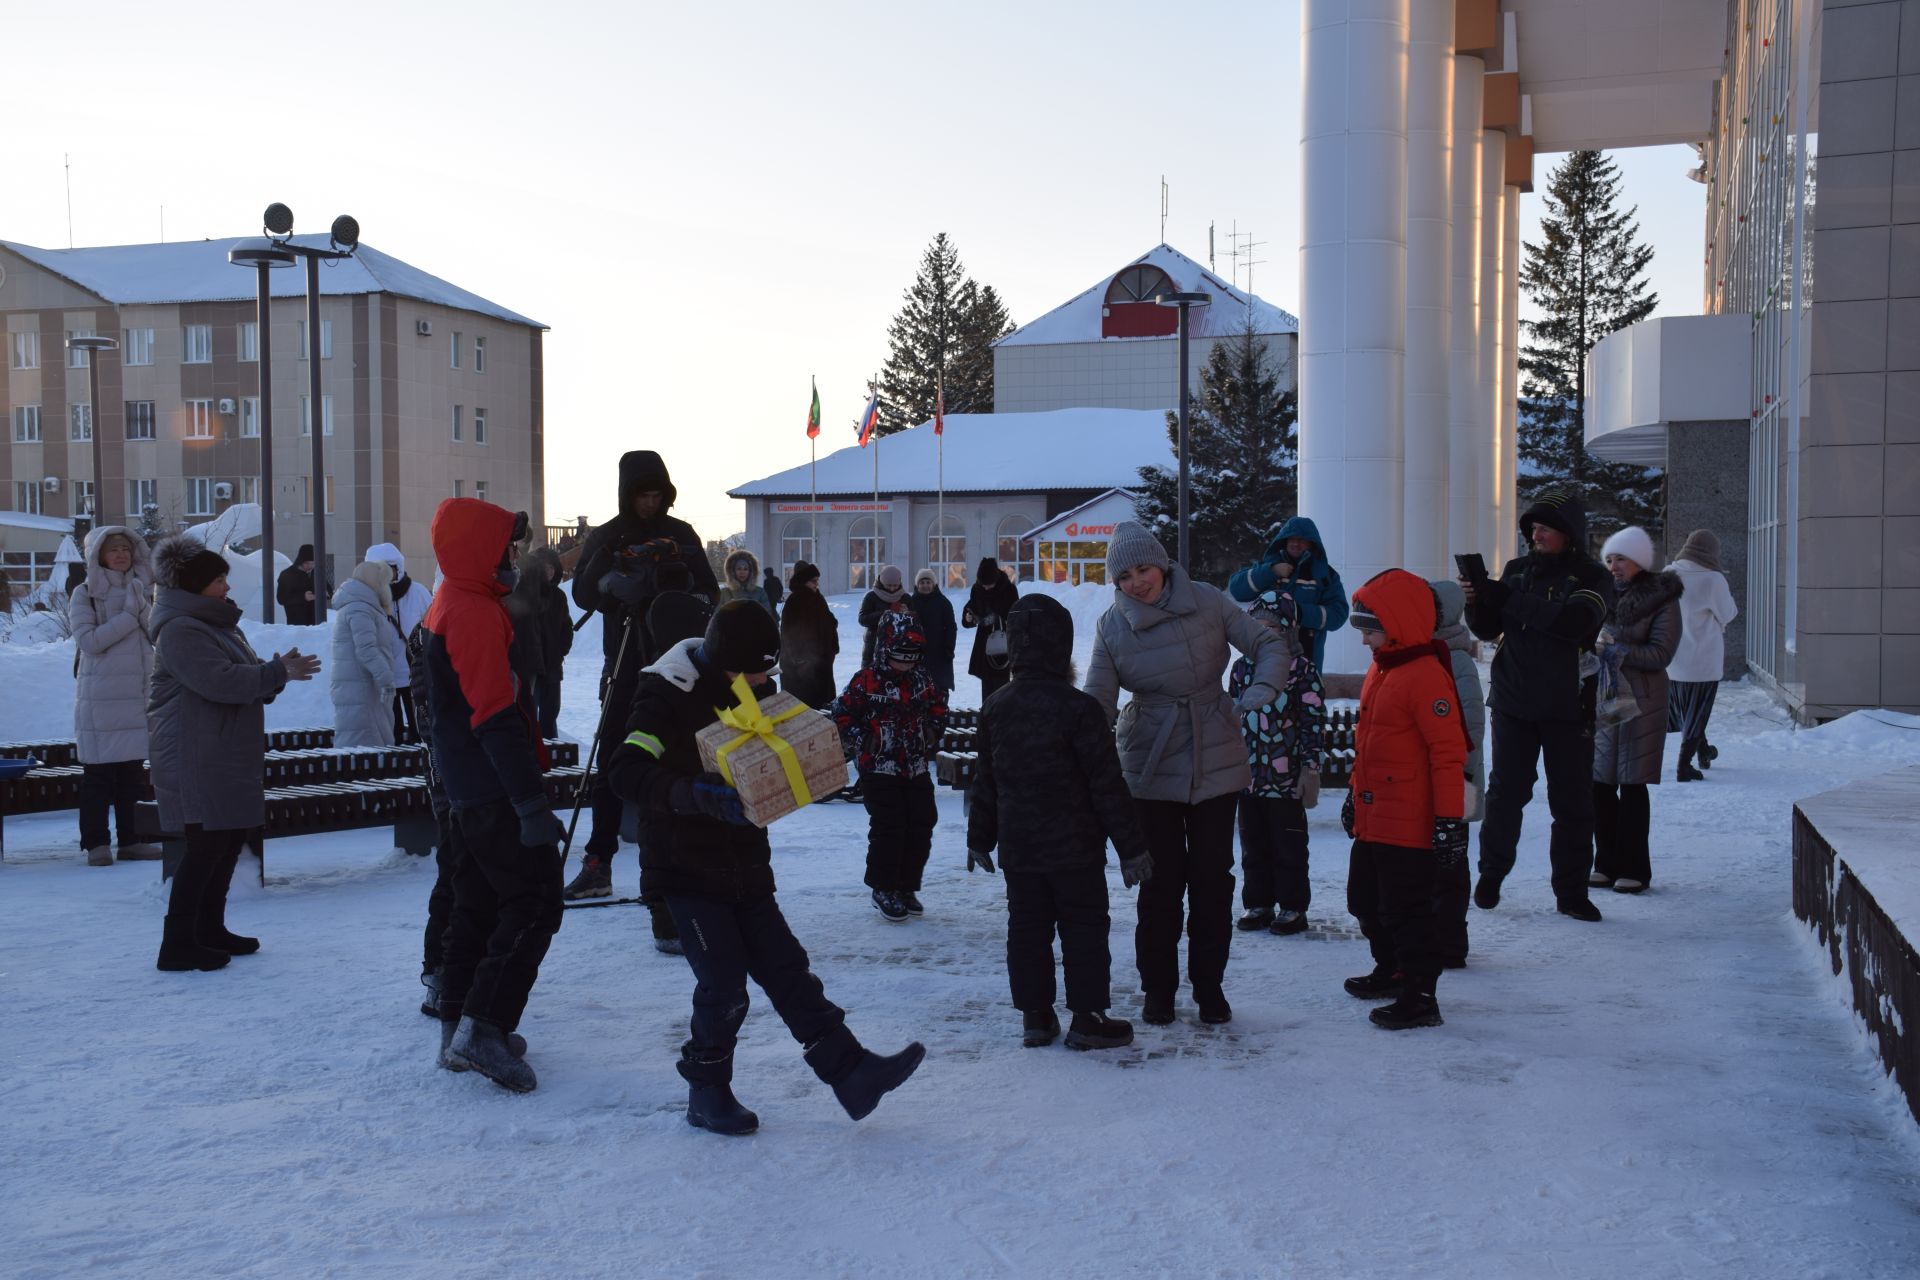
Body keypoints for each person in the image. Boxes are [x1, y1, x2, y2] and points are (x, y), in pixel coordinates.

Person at [607, 600, 926, 1135]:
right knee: (724, 984)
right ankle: (707, 1091)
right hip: (684, 867)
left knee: (786, 968)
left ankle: (851, 1073)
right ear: (727, 658)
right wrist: (690, 792)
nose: (764, 681)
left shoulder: (754, 688)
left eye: (768, 671)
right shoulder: (666, 694)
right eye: (756, 670)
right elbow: (625, 770)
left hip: (745, 860)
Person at [1083, 522, 1282, 1027]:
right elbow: (1097, 705)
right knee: (1160, 885)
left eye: (1143, 569)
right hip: (1149, 764)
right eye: (1123, 575)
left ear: (1163, 564)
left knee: (1213, 881)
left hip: (1215, 751)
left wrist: (1260, 692)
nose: (1136, 582)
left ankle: (1210, 988)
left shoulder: (1209, 601)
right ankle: (1159, 991)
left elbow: (1269, 645)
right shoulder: (1111, 627)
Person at [420, 498, 567, 1092]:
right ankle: (483, 1028)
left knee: (478, 903)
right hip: (489, 787)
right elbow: (494, 714)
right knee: (535, 902)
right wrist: (529, 804)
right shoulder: (473, 612)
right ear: (481, 548)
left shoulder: (454, 599)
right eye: (508, 547)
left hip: (469, 783)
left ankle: (457, 1023)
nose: (514, 558)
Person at [966, 595, 1152, 1050]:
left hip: (1020, 848)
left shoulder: (997, 706)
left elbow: (985, 780)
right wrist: (1131, 848)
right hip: (1076, 850)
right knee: (1084, 927)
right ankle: (1087, 1017)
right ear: (1063, 648)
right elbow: (1107, 785)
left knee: (1027, 929)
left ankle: (1036, 1016)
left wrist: (979, 840)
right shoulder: (1081, 710)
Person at [148, 539, 320, 971]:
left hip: (219, 749)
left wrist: (274, 672)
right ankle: (177, 942)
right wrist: (277, 672)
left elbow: (242, 675)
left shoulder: (215, 624)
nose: (227, 585)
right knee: (206, 844)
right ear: (194, 586)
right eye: (218, 579)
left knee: (224, 841)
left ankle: (208, 928)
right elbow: (220, 681)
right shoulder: (182, 629)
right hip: (196, 753)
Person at [566, 451, 717, 899]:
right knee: (613, 758)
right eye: (642, 496)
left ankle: (690, 861)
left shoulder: (683, 535)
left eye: (656, 495)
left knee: (685, 757)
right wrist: (613, 580)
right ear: (627, 496)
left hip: (677, 666)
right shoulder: (609, 536)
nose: (650, 504)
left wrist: (680, 592)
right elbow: (582, 594)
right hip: (626, 661)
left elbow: (710, 592)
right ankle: (599, 862)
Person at [1461, 488, 1614, 923]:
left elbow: (1573, 623)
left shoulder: (1591, 576)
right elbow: (1491, 629)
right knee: (1507, 795)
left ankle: (1571, 892)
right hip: (1512, 700)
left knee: (1572, 803)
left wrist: (1505, 597)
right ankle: (1490, 875)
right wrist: (1477, 602)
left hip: (1569, 705)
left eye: (1545, 528)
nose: (1536, 535)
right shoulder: (1517, 570)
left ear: (1569, 533)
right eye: (1532, 528)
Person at [1338, 570, 1472, 1030]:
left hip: (1410, 825)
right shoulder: (1384, 667)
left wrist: (1450, 821)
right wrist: (1355, 797)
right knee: (1365, 901)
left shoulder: (1426, 675)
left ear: (1399, 624)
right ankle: (1391, 969)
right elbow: (1368, 743)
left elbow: (1449, 754)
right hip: (1376, 817)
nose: (1364, 642)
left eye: (1370, 630)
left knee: (1407, 910)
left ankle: (1420, 994)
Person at [832, 610, 949, 922]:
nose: (907, 663)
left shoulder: (922, 679)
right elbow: (842, 715)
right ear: (885, 650)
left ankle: (906, 885)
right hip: (878, 768)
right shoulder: (866, 682)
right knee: (890, 826)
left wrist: (933, 729)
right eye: (901, 656)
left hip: (914, 765)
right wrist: (863, 740)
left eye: (913, 656)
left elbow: (938, 706)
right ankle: (884, 886)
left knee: (922, 823)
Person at [1591, 528, 1683, 895]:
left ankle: (1634, 868)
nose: (1614, 566)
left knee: (1631, 784)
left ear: (1639, 562)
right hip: (1604, 696)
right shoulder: (1599, 596)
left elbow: (1662, 654)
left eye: (1621, 559)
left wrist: (1617, 650)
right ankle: (1605, 862)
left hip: (1643, 701)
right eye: (1610, 559)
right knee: (1599, 783)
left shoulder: (1661, 598)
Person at [1231, 590, 1326, 937]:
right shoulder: (1242, 669)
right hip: (1249, 776)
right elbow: (1233, 716)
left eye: (1273, 626)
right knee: (1253, 845)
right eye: (1258, 626)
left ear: (1288, 630)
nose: (1264, 632)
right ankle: (1258, 902)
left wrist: (1310, 767)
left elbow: (1312, 721)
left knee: (1288, 845)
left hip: (1286, 781)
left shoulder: (1301, 670)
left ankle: (1292, 906)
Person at [70, 525, 161, 866]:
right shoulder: (85, 593)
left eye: (126, 548)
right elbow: (90, 642)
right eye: (113, 549)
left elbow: (157, 635)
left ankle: (132, 840)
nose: (122, 554)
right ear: (98, 556)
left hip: (137, 696)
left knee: (132, 777)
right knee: (99, 777)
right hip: (102, 699)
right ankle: (96, 843)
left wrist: (144, 612)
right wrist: (129, 616)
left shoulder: (143, 589)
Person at [1428, 579, 1486, 968]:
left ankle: (1451, 941)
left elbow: (1471, 724)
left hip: (1455, 782)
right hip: (1440, 781)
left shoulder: (1456, 659)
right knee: (1437, 864)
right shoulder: (1431, 654)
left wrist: (1460, 773)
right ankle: (1439, 935)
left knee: (1450, 865)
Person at [1227, 517, 1350, 672]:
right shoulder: (1268, 567)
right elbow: (1236, 590)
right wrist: (1270, 572)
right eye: (1291, 538)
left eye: (1301, 539)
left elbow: (1338, 615)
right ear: (1283, 540)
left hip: (1306, 666)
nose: (1295, 543)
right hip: (1264, 658)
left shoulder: (1325, 575)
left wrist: (1296, 611)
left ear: (1312, 543)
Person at [1666, 529, 1739, 781]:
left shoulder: (1667, 573)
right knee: (1698, 710)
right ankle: (1684, 765)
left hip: (1673, 657)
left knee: (1689, 710)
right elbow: (1728, 613)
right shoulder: (1712, 579)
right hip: (1703, 660)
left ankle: (1704, 751)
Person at [367, 542, 435, 743]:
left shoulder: (418, 593)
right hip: (387, 671)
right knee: (391, 725)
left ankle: (418, 757)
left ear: (399, 568)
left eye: (390, 569)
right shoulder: (370, 598)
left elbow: (432, 624)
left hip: (415, 670)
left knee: (421, 723)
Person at [505, 546, 572, 740]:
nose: (548, 572)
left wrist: (561, 650)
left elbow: (566, 626)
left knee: (550, 715)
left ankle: (552, 753)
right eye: (544, 568)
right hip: (530, 665)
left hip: (552, 664)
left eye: (552, 568)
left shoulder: (559, 596)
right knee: (529, 713)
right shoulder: (523, 593)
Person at [330, 561, 398, 749]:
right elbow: (366, 649)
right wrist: (386, 680)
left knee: (366, 744)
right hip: (361, 687)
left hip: (362, 685)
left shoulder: (361, 606)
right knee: (364, 747)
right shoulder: (359, 608)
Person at [777, 560, 839, 709]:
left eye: (817, 580)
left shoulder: (817, 597)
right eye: (813, 581)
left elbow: (829, 622)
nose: (816, 584)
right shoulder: (795, 601)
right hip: (802, 667)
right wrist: (800, 660)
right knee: (803, 709)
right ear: (804, 581)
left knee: (822, 708)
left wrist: (830, 648)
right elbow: (789, 634)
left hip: (820, 663)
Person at [963, 558, 1019, 703]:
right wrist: (968, 616)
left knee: (1002, 687)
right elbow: (972, 606)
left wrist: (996, 618)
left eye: (990, 584)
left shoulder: (1009, 590)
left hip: (1002, 644)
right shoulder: (977, 589)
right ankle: (988, 717)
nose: (986, 588)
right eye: (984, 584)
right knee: (987, 687)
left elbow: (1015, 616)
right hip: (984, 645)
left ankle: (1001, 719)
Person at [912, 567, 958, 696]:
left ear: (934, 584)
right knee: (917, 688)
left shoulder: (943, 603)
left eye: (928, 582)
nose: (925, 585)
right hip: (916, 654)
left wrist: (949, 649)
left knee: (939, 688)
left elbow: (951, 628)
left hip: (940, 653)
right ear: (917, 584)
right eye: (922, 582)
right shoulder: (911, 603)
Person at [857, 564, 911, 669]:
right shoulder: (871, 597)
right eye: (888, 585)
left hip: (899, 651)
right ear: (881, 583)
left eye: (895, 585)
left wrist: (907, 614)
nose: (892, 589)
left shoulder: (905, 598)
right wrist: (885, 614)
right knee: (871, 682)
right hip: (872, 648)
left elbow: (914, 623)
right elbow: (862, 619)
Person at [720, 549, 774, 615]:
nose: (742, 572)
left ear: (751, 572)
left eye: (745, 569)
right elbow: (716, 619)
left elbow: (767, 617)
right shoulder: (724, 593)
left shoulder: (760, 593)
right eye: (739, 568)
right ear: (733, 571)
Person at [275, 544, 319, 626]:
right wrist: (303, 597)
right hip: (297, 624)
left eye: (313, 563)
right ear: (301, 561)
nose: (310, 566)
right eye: (307, 563)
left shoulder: (317, 573)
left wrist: (325, 594)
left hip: (317, 624)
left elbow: (329, 589)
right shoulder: (287, 574)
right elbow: (281, 598)